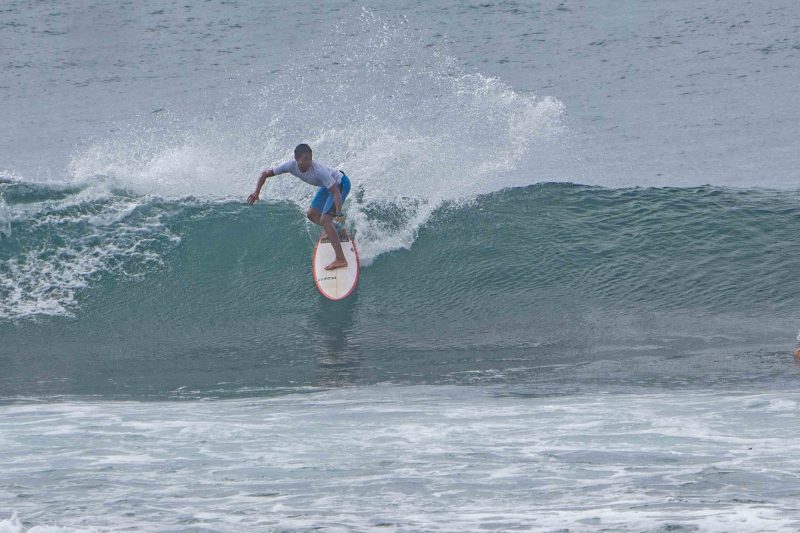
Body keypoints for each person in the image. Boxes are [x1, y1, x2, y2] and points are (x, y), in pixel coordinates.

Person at [247, 144, 351, 270]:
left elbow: (336, 193)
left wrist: (338, 213)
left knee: (325, 220)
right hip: (328, 186)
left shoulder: (319, 171)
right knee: (311, 215)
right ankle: (338, 231)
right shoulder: (290, 166)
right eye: (305, 159)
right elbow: (265, 174)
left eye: (310, 159)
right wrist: (256, 192)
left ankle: (341, 259)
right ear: (296, 158)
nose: (308, 162)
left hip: (340, 185)